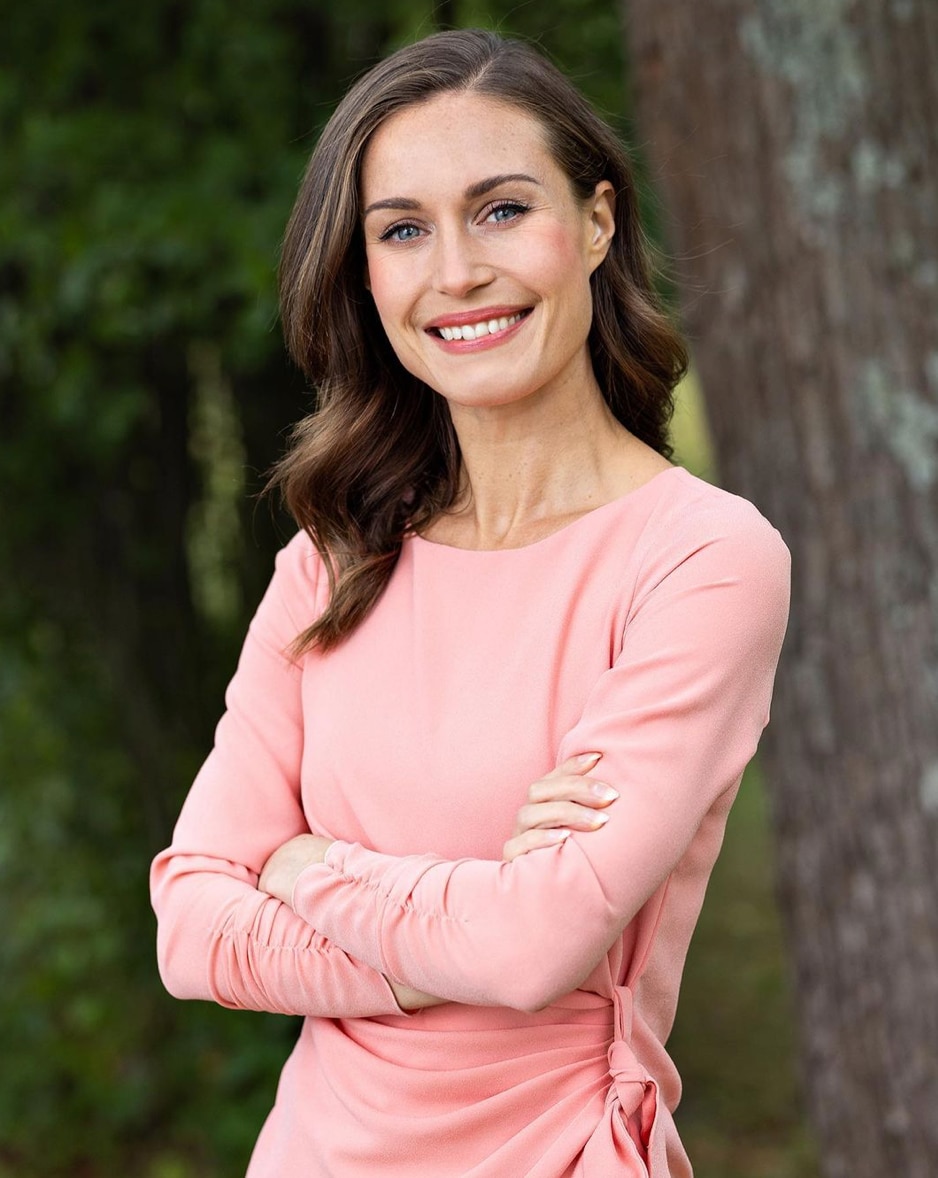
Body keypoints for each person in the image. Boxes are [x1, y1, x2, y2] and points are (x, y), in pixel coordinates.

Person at [150, 27, 790, 1178]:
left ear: (595, 221)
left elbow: (535, 944)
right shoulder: (333, 555)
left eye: (500, 210)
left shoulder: (698, 559)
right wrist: (458, 927)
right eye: (402, 230)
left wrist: (306, 867)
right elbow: (190, 924)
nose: (456, 272)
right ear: (365, 273)